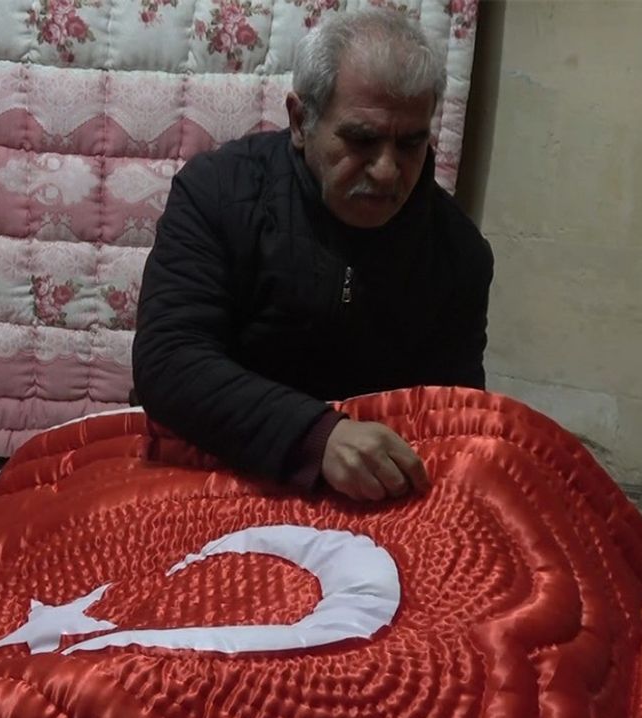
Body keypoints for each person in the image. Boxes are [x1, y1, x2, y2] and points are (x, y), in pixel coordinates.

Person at [132, 8, 493, 502]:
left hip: (370, 494)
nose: (387, 171)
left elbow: (452, 413)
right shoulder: (216, 193)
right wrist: (317, 437)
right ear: (301, 121)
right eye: (362, 140)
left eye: (411, 144)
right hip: (214, 463)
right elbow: (169, 363)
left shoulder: (457, 251)